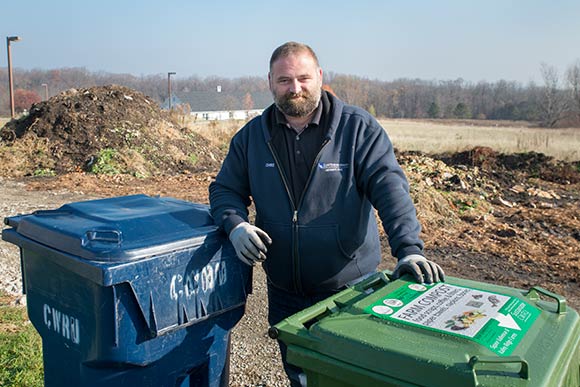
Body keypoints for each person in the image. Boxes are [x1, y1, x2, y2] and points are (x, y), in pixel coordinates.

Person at [209, 41, 445, 387]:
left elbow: (390, 188)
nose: (295, 88)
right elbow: (224, 188)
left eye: (304, 78)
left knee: (345, 376)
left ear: (320, 76)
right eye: (285, 80)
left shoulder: (357, 130)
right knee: (299, 373)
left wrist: (408, 249)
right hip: (285, 290)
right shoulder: (252, 138)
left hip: (347, 290)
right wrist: (235, 225)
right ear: (270, 82)